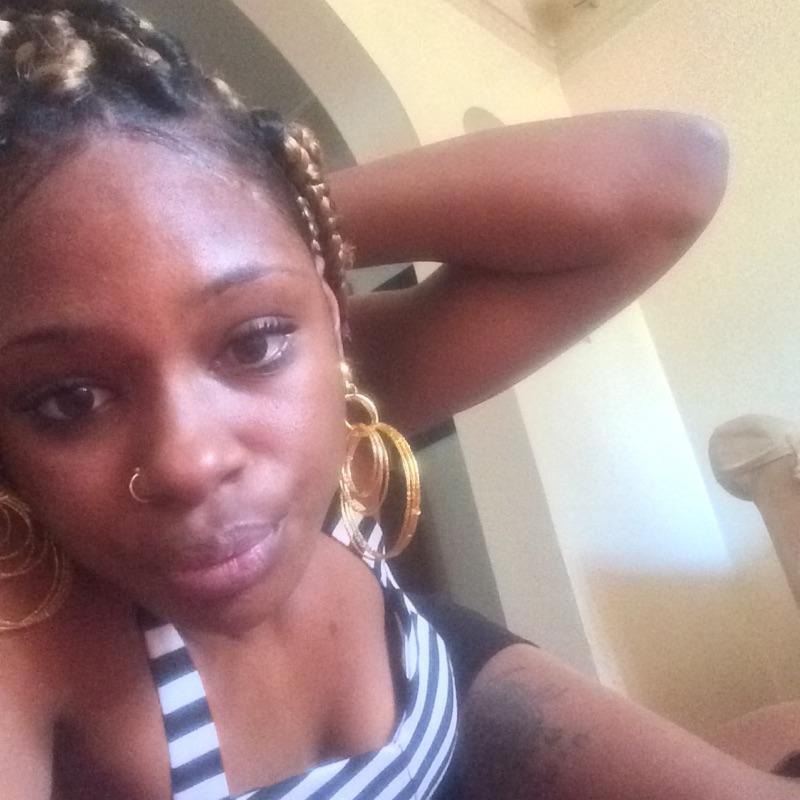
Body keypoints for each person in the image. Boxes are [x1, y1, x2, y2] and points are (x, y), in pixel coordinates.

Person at [0, 2, 794, 798]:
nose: (191, 461)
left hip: (454, 684)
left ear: (332, 316)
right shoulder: (29, 630)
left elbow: (678, 171)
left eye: (253, 342)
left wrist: (257, 205)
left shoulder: (333, 384)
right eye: (68, 399)